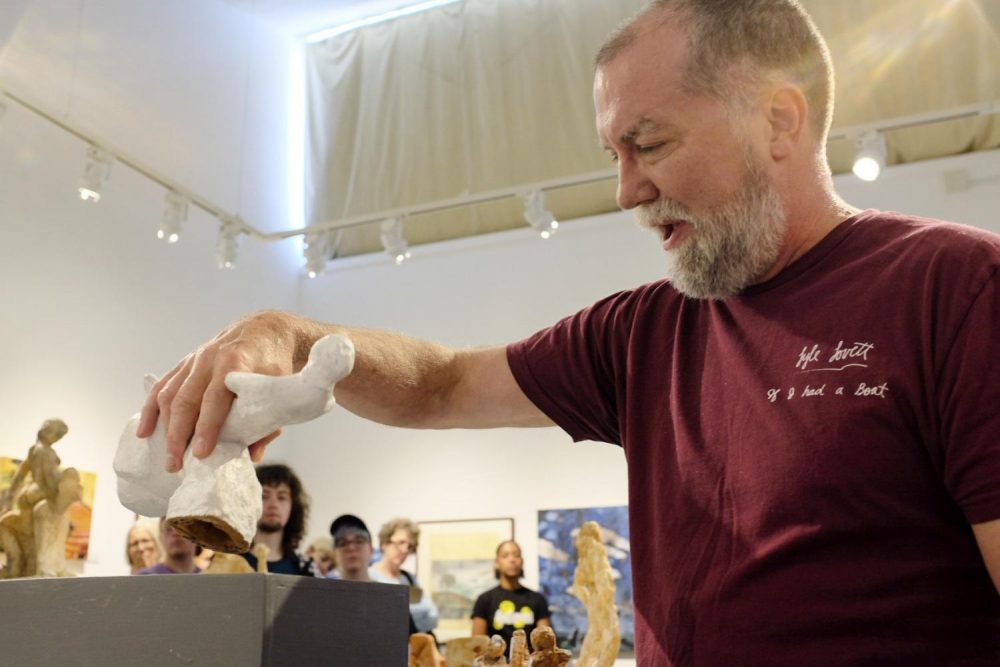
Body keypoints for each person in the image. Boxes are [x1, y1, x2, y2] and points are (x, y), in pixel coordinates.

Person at [136, 0, 1000, 662]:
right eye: (612, 156)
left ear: (778, 119)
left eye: (650, 143)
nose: (625, 190)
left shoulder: (954, 287)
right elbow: (439, 383)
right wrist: (290, 330)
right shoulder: (640, 335)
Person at [471, 540, 551, 652]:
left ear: (522, 561)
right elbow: (477, 645)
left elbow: (545, 644)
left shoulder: (537, 599)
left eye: (516, 555)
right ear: (497, 562)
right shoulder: (484, 599)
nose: (512, 560)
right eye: (505, 556)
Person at [369, 518, 439, 634]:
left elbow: (432, 615)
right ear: (385, 543)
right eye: (400, 543)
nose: (405, 550)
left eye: (409, 546)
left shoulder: (408, 578)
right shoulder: (369, 577)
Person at [241, 463, 312, 575]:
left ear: (293, 506)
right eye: (263, 496)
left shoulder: (305, 568)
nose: (273, 504)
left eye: (282, 497)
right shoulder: (227, 560)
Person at [327, 514, 374, 582]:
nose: (351, 548)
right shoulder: (323, 591)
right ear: (334, 553)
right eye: (343, 543)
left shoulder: (386, 591)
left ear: (371, 549)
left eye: (359, 541)